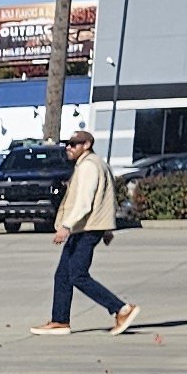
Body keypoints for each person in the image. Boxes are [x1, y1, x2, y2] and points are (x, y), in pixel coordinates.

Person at [40, 130, 136, 335]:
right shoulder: (96, 164)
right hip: (89, 227)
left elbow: (85, 202)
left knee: (77, 275)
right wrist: (107, 228)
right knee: (63, 275)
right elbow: (107, 198)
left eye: (74, 144)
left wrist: (66, 226)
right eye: (68, 144)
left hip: (86, 228)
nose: (69, 147)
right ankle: (60, 321)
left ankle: (121, 309)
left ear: (87, 144)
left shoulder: (89, 167)